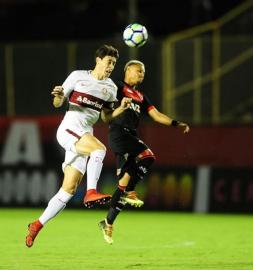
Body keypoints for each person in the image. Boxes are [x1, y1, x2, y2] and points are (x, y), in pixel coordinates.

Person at [25, 45, 132, 248]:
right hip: (69, 129)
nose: (111, 66)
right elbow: (58, 103)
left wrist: (120, 109)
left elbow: (106, 117)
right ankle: (91, 191)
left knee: (68, 191)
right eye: (109, 62)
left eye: (114, 64)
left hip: (84, 134)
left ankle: (37, 225)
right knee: (99, 149)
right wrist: (57, 95)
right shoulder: (78, 76)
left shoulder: (110, 88)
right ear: (98, 60)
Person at [98, 60, 190, 244]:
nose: (142, 74)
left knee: (122, 184)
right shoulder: (117, 87)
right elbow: (103, 100)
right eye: (138, 70)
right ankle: (132, 190)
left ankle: (107, 222)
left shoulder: (141, 96)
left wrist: (175, 123)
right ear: (127, 70)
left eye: (143, 72)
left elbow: (156, 115)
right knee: (148, 156)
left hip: (129, 136)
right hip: (119, 134)